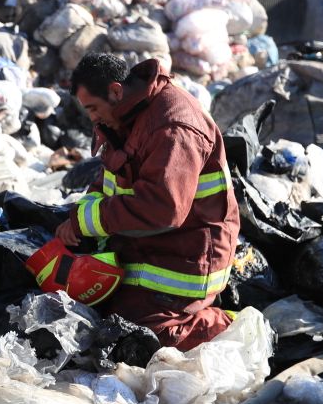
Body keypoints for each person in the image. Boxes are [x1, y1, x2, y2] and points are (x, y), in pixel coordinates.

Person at [56, 54, 240, 351]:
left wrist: (83, 222)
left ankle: (225, 325)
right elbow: (110, 177)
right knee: (91, 311)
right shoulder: (128, 115)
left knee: (138, 339)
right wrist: (79, 218)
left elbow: (162, 207)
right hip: (150, 245)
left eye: (93, 108)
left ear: (116, 91)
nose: (92, 118)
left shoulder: (174, 125)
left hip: (187, 260)